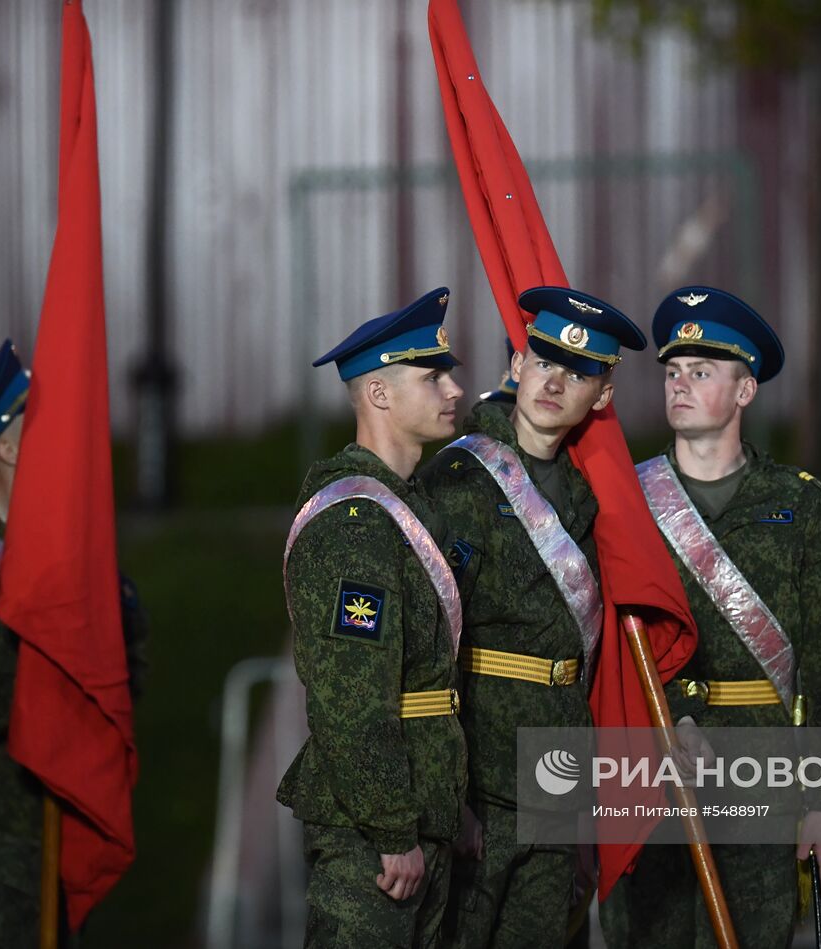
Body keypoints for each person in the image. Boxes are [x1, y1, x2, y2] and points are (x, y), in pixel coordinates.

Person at [600, 287, 821, 949]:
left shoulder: (799, 505)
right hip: (650, 768)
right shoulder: (622, 500)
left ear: (745, 391)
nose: (680, 384)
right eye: (672, 372)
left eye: (701, 372)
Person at [419, 287, 647, 949]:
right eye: (544, 359)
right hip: (479, 768)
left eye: (579, 373)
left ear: (602, 396)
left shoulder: (592, 499)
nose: (556, 380)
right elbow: (430, 641)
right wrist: (444, 786)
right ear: (517, 365)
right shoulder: (458, 476)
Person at [0, 340, 148, 948]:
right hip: (0, 819)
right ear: (5, 446)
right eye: (38, 422)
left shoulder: (62, 551)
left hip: (70, 802)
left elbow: (129, 653)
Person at [276, 287, 468, 948]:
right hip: (374, 838)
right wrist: (393, 829)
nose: (454, 388)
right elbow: (351, 698)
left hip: (422, 816)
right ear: (380, 395)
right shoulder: (355, 522)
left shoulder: (409, 504)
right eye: (433, 376)